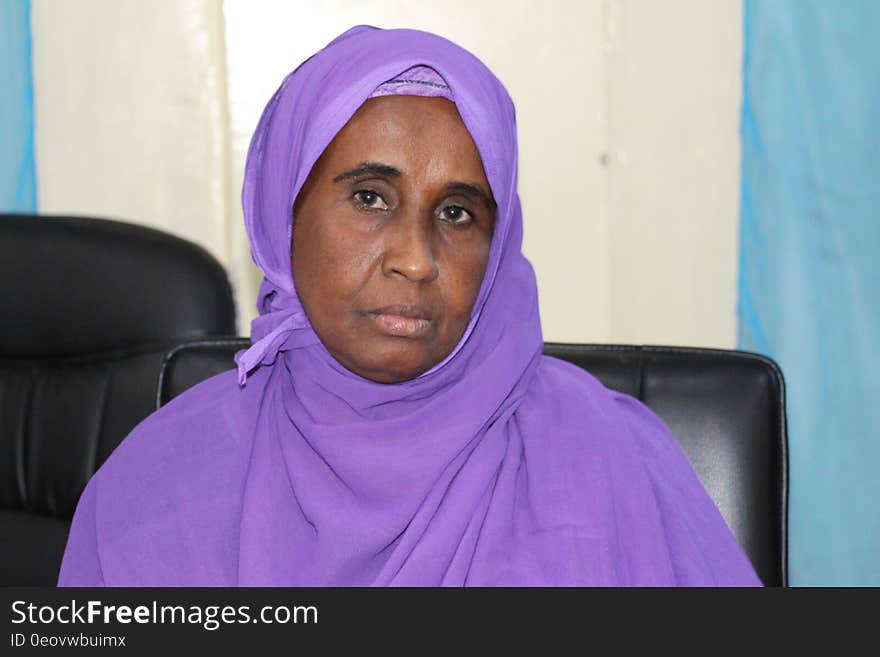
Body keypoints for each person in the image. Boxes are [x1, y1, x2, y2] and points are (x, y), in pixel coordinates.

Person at [57, 25, 761, 586]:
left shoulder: (613, 458)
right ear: (285, 211)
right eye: (369, 197)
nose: (417, 259)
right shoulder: (156, 486)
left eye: (457, 213)